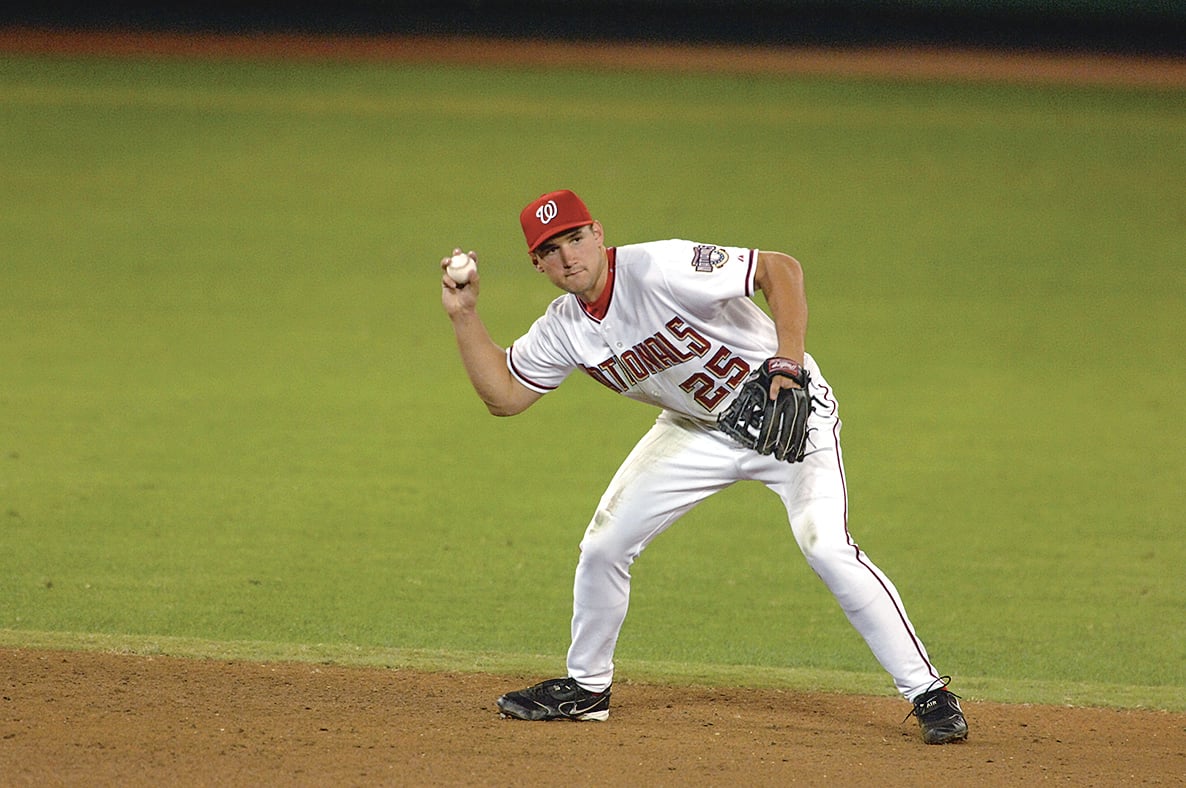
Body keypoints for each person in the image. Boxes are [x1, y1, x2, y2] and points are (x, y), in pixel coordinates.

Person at [438, 189, 968, 744]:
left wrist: (788, 360)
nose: (569, 256)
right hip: (695, 431)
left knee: (825, 546)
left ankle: (928, 691)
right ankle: (588, 686)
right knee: (604, 546)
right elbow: (504, 395)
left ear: (597, 233)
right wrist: (464, 315)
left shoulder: (660, 266)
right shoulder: (564, 327)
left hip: (786, 410)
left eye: (575, 238)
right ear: (537, 263)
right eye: (553, 249)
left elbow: (779, 270)